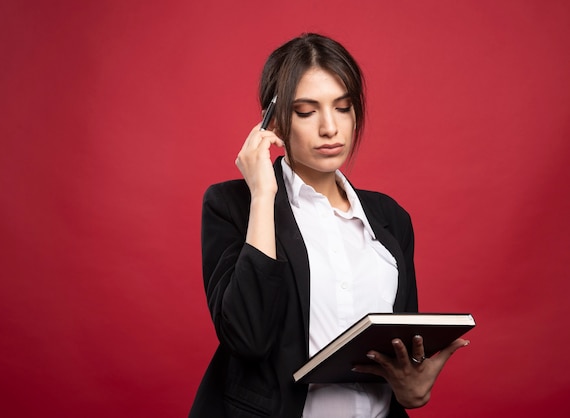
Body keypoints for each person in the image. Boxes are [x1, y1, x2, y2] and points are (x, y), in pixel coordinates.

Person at [189, 33, 469, 418]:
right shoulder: (233, 206)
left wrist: (410, 388)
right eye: (306, 111)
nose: (329, 128)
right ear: (275, 123)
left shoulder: (390, 218)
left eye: (343, 108)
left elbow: (398, 353)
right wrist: (262, 197)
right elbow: (248, 338)